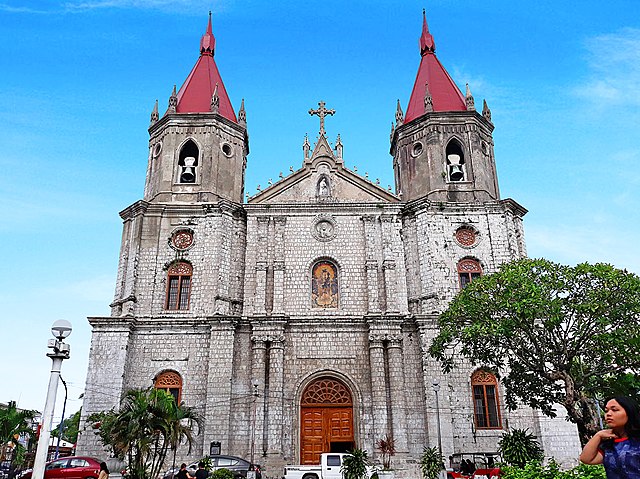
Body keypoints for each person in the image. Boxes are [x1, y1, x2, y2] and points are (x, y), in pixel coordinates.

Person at [580, 396, 640, 478]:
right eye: (606, 411)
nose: (608, 414)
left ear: (629, 412)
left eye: (614, 410)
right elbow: (586, 459)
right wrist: (598, 435)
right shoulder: (609, 445)